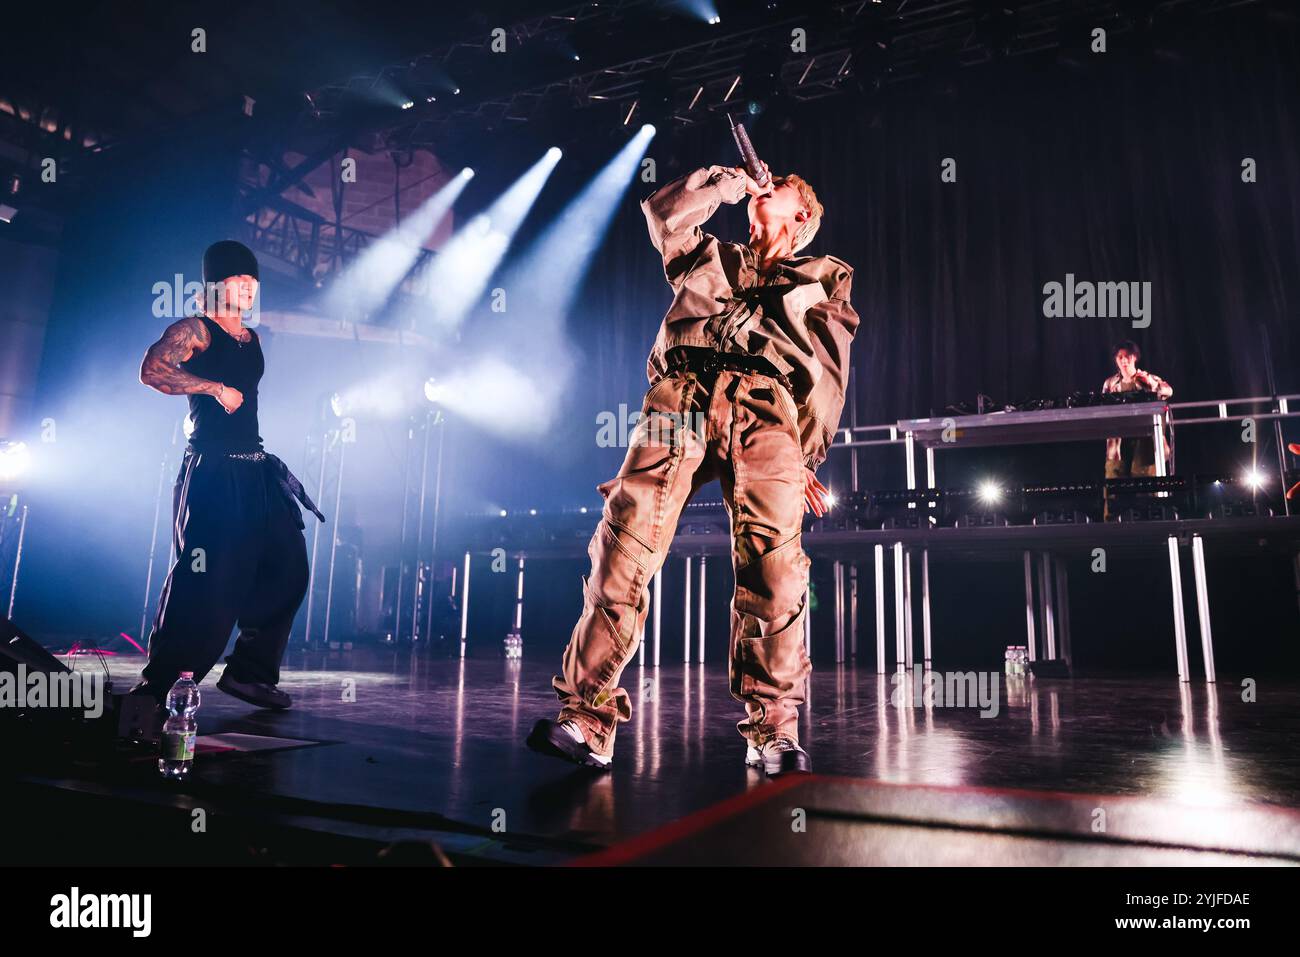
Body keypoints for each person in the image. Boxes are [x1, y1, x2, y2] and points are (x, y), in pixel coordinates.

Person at [527, 161, 859, 776]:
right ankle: (587, 718)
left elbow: (829, 372)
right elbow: (663, 215)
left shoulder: (823, 276)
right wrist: (723, 184)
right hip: (678, 399)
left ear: (802, 214)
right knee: (622, 545)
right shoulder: (708, 254)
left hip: (767, 409)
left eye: (779, 186)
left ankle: (774, 729)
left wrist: (807, 454)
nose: (768, 185)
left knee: (774, 566)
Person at [133, 240, 323, 710]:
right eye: (241, 282)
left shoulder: (251, 338)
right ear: (217, 285)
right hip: (212, 471)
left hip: (254, 469)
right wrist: (214, 387)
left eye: (254, 283)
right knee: (206, 578)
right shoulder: (195, 330)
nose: (250, 290)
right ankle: (160, 687)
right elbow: (152, 372)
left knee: (288, 568)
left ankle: (249, 674)